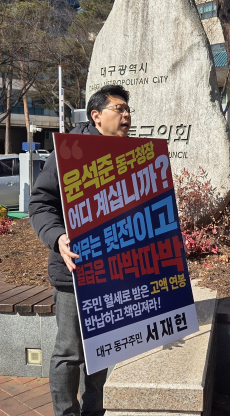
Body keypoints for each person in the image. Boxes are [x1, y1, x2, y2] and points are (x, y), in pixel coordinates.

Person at [29, 85, 132, 416]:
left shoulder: (132, 155)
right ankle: (66, 413)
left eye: (128, 110)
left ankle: (94, 411)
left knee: (102, 348)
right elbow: (40, 203)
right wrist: (58, 237)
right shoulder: (68, 152)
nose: (127, 115)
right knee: (70, 350)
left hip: (113, 268)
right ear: (97, 116)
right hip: (74, 268)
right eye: (119, 109)